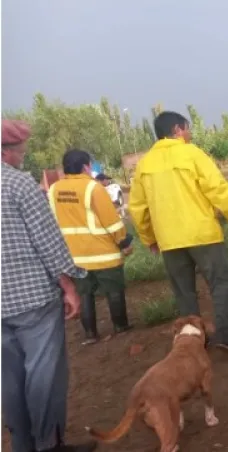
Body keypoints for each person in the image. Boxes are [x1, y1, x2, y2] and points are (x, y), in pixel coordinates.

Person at [1, 119, 97, 452]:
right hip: (32, 302)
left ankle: (21, 446)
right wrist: (69, 285)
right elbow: (47, 241)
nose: (23, 155)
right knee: (44, 376)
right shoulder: (18, 185)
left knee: (8, 382)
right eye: (20, 149)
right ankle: (49, 445)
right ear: (7, 152)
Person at [128, 111, 228, 357]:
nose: (189, 133)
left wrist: (149, 237)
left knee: (184, 293)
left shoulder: (144, 164)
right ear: (178, 129)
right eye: (187, 128)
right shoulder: (192, 153)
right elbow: (217, 189)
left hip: (169, 241)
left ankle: (194, 342)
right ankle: (223, 337)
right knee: (221, 284)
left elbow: (138, 207)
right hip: (203, 234)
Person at [49, 150, 134, 345]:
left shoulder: (54, 190)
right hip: (103, 252)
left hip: (75, 256)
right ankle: (121, 326)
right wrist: (124, 242)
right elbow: (111, 221)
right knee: (113, 289)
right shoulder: (92, 188)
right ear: (86, 166)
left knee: (85, 293)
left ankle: (90, 334)